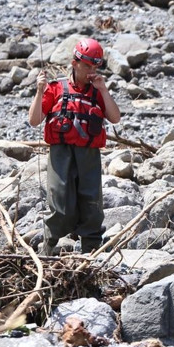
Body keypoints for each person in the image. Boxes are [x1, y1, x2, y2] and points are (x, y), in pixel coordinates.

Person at [28, 38, 121, 255]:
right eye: (87, 66)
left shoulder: (97, 91)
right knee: (60, 201)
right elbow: (34, 120)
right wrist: (40, 91)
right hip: (60, 153)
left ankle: (90, 253)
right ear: (74, 63)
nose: (91, 71)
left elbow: (115, 118)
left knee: (91, 203)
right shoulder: (55, 88)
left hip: (89, 155)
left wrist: (103, 89)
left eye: (95, 67)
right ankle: (48, 250)